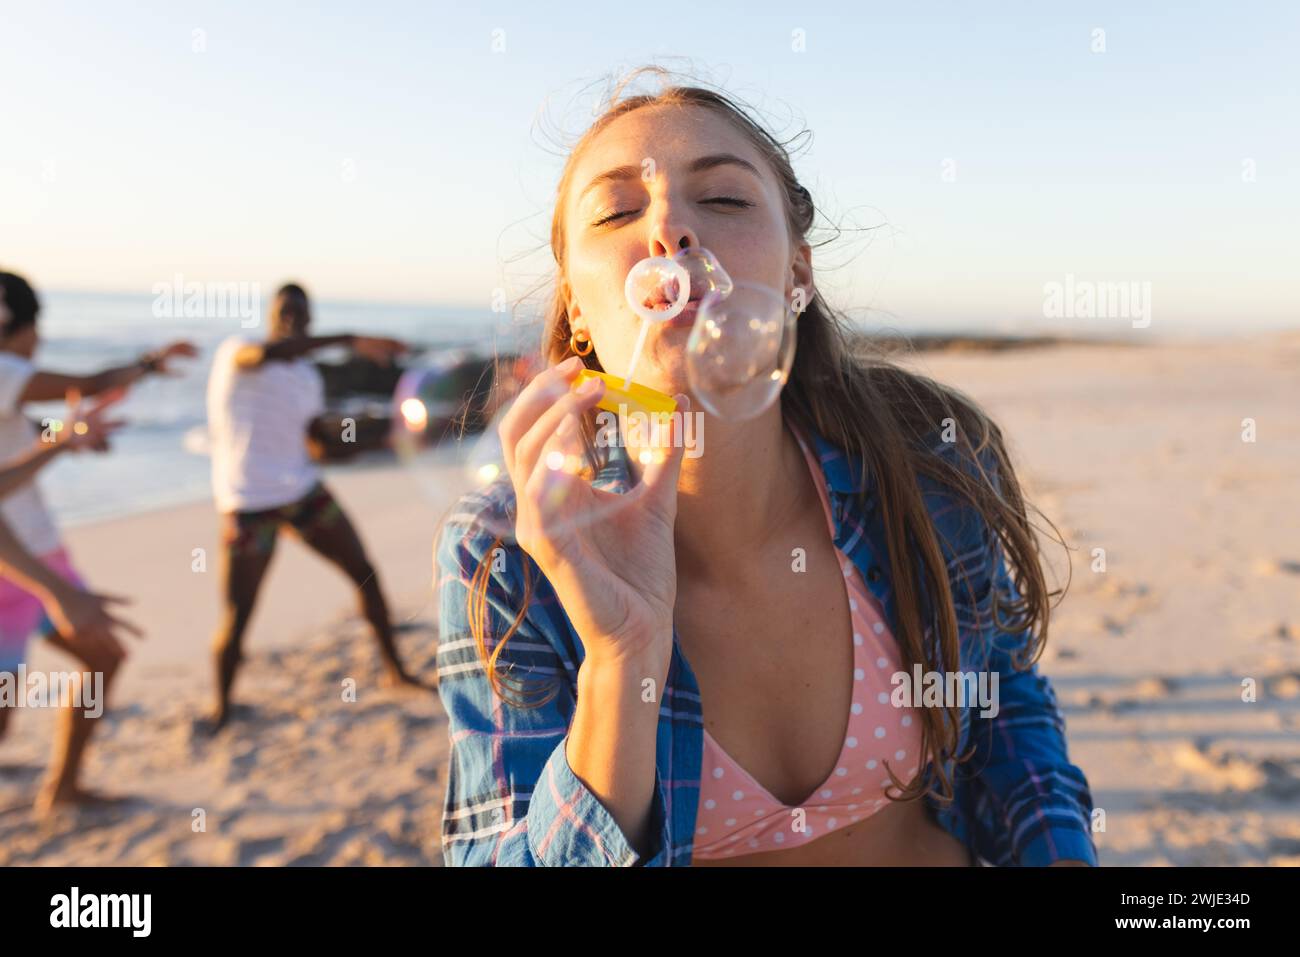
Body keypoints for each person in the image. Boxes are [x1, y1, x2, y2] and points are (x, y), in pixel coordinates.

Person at [433, 71, 1098, 867]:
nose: (671, 229)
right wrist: (621, 657)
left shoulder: (924, 464)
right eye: (617, 211)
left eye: (722, 200)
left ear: (796, 276)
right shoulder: (506, 551)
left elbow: (1008, 725)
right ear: (576, 305)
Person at [204, 282, 419, 734]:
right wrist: (351, 341)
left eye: (299, 312)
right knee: (239, 613)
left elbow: (317, 445)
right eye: (284, 309)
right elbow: (264, 356)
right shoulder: (239, 352)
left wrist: (370, 441)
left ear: (309, 320)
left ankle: (394, 669)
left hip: (302, 493)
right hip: (249, 502)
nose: (291, 318)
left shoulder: (306, 377)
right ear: (270, 314)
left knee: (365, 573)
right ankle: (221, 708)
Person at [0, 269, 174, 812]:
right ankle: (63, 789)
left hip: (37, 552)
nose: (39, 343)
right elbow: (96, 381)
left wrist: (69, 436)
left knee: (103, 658)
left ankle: (64, 789)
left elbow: (23, 436)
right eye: (37, 328)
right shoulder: (6, 367)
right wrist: (148, 364)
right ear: (21, 326)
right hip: (16, 565)